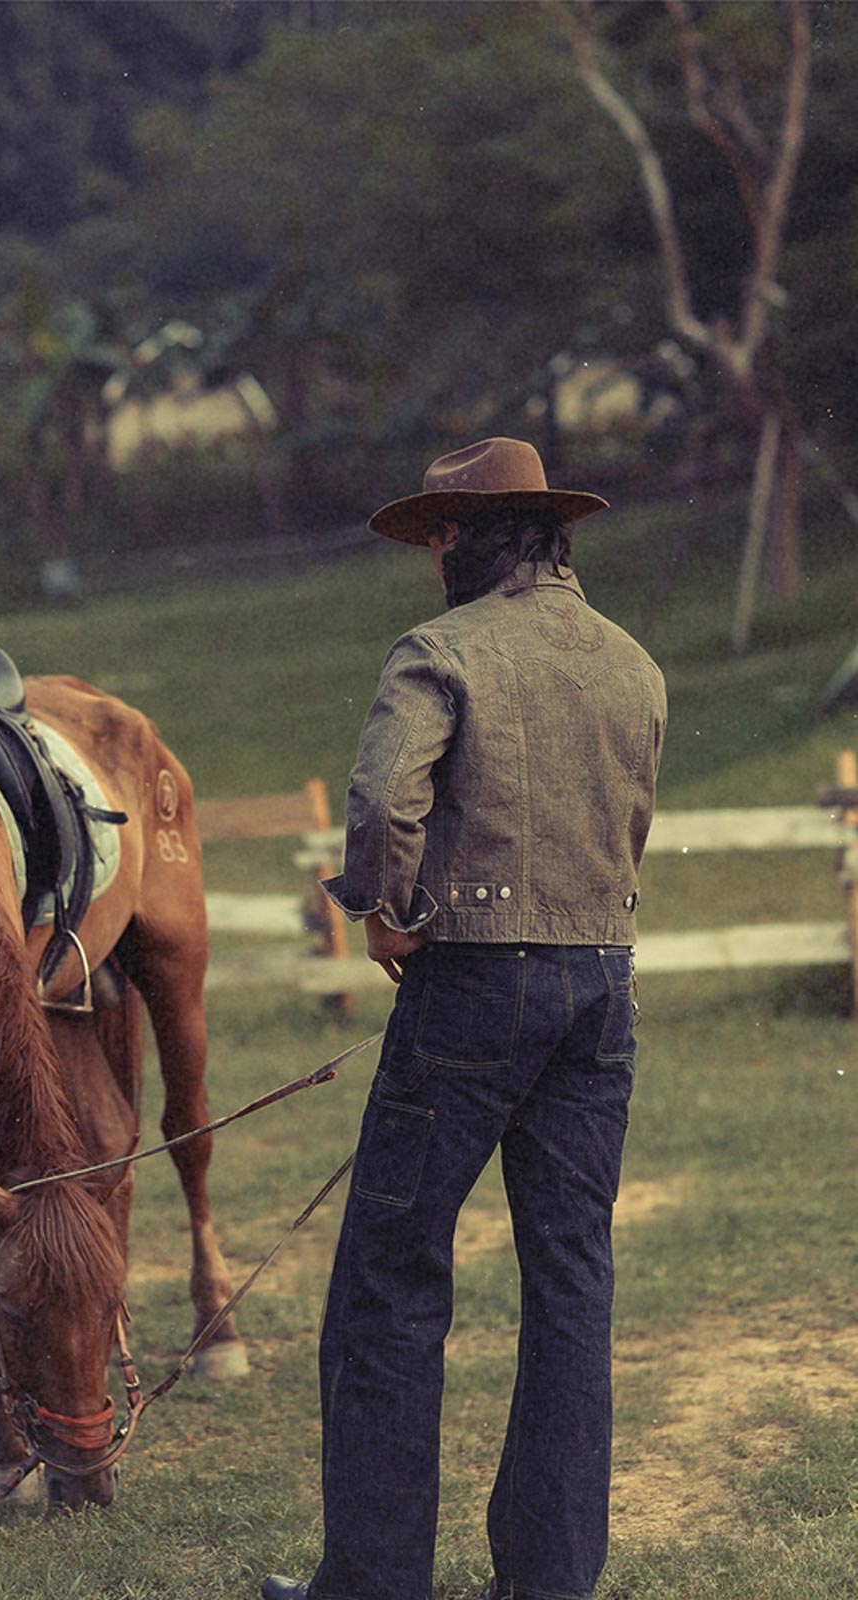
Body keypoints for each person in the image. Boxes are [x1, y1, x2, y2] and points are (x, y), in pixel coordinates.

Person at [263, 438, 666, 1600]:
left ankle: (373, 1582)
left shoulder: (439, 650)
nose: (429, 553)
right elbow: (627, 826)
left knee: (389, 1274)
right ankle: (546, 1582)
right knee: (570, 1278)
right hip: (599, 985)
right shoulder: (633, 662)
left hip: (472, 986)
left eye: (438, 533)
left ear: (472, 537)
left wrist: (384, 913)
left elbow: (386, 795)